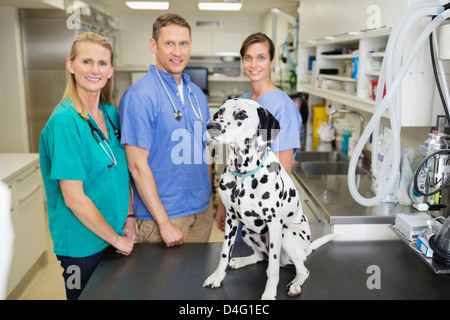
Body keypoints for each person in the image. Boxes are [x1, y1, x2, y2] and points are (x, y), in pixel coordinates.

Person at [39, 32, 136, 300]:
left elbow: (122, 173)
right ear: (70, 65)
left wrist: (128, 218)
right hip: (82, 247)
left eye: (102, 63)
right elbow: (74, 199)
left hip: (113, 233)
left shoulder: (110, 113)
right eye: (86, 61)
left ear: (111, 70)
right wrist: (116, 240)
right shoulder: (65, 122)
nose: (95, 70)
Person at [119, 14, 213, 247]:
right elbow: (137, 166)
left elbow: (206, 150)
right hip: (164, 218)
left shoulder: (197, 95)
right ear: (154, 45)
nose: (177, 52)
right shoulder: (140, 96)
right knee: (162, 284)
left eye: (183, 44)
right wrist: (163, 223)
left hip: (201, 213)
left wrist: (210, 201)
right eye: (169, 43)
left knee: (196, 282)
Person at [216, 32, 302, 233]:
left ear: (272, 61)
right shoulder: (240, 103)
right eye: (248, 58)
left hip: (263, 212)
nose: (254, 64)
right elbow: (231, 163)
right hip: (237, 207)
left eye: (261, 57)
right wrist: (224, 205)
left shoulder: (283, 107)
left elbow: (283, 171)